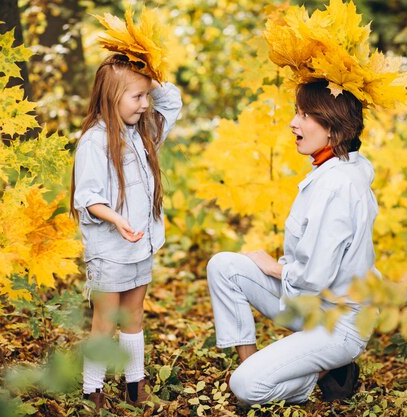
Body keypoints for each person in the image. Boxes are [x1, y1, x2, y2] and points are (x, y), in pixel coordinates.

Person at [206, 80, 377, 405]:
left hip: (338, 322)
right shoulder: (337, 167)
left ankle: (326, 374)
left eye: (306, 115)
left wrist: (272, 267)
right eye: (297, 112)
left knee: (245, 387)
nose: (293, 123)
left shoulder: (337, 187)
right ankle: (252, 364)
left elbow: (314, 277)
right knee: (224, 267)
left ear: (334, 129)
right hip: (311, 304)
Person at [71, 54, 182, 410]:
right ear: (111, 95)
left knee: (133, 316)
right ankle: (92, 392)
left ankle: (136, 385)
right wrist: (116, 219)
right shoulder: (94, 141)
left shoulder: (143, 132)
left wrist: (147, 76)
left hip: (139, 247)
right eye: (136, 97)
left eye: (146, 96)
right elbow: (87, 197)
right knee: (105, 321)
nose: (146, 104)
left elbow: (172, 101)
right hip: (110, 250)